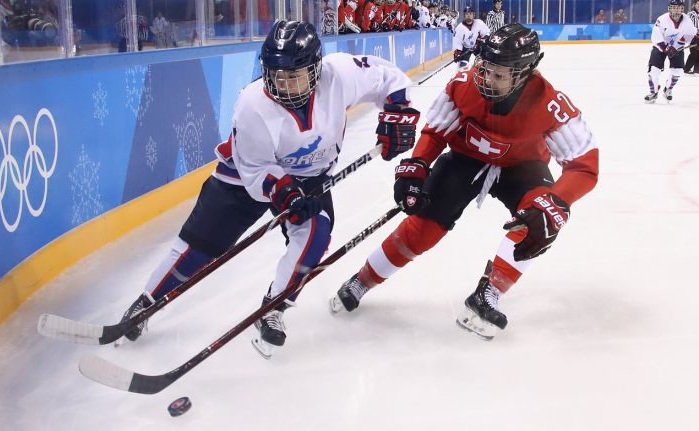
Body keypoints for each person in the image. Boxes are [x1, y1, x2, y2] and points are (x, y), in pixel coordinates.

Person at [116, 21, 420, 357]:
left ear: (315, 69)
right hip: (243, 178)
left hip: (310, 177)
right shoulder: (252, 104)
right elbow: (255, 169)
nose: (285, 85)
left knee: (316, 233)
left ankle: (273, 308)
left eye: (294, 76)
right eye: (277, 76)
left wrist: (398, 115)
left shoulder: (340, 74)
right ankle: (146, 303)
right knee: (199, 248)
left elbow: (389, 78)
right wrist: (284, 192)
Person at [329, 23, 599, 341]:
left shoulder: (550, 104)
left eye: (499, 75)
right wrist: (417, 165)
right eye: (485, 69)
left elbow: (585, 165)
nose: (486, 79)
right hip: (464, 158)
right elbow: (436, 131)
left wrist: (556, 201)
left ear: (524, 74)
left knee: (538, 219)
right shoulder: (463, 84)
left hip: (523, 167)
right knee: (422, 229)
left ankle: (488, 294)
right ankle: (362, 280)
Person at [644, 0, 699, 102]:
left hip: (677, 47)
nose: (676, 9)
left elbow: (691, 36)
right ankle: (653, 92)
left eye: (678, 7)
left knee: (677, 72)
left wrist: (696, 41)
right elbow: (656, 37)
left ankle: (668, 89)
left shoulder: (687, 21)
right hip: (660, 47)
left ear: (682, 9)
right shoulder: (662, 19)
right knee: (653, 71)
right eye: (674, 7)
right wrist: (666, 48)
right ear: (670, 8)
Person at [684, 0, 699, 74]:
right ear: (694, 5)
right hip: (693, 36)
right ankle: (686, 69)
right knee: (694, 53)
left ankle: (697, 70)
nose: (698, 5)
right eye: (697, 4)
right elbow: (686, 25)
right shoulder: (690, 14)